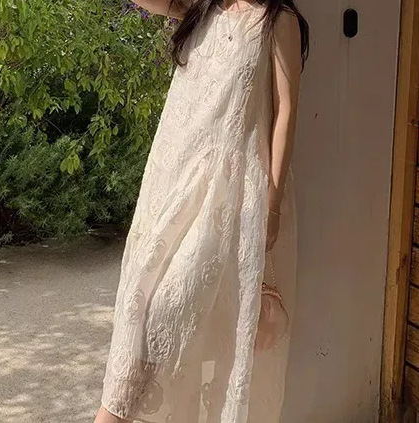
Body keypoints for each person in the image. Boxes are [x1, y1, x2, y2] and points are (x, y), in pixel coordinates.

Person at [94, 0, 308, 421]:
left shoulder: (277, 20)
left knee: (165, 316)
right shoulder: (202, 8)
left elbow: (286, 111)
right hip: (172, 189)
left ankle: (111, 414)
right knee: (139, 311)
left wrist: (273, 207)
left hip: (228, 203)